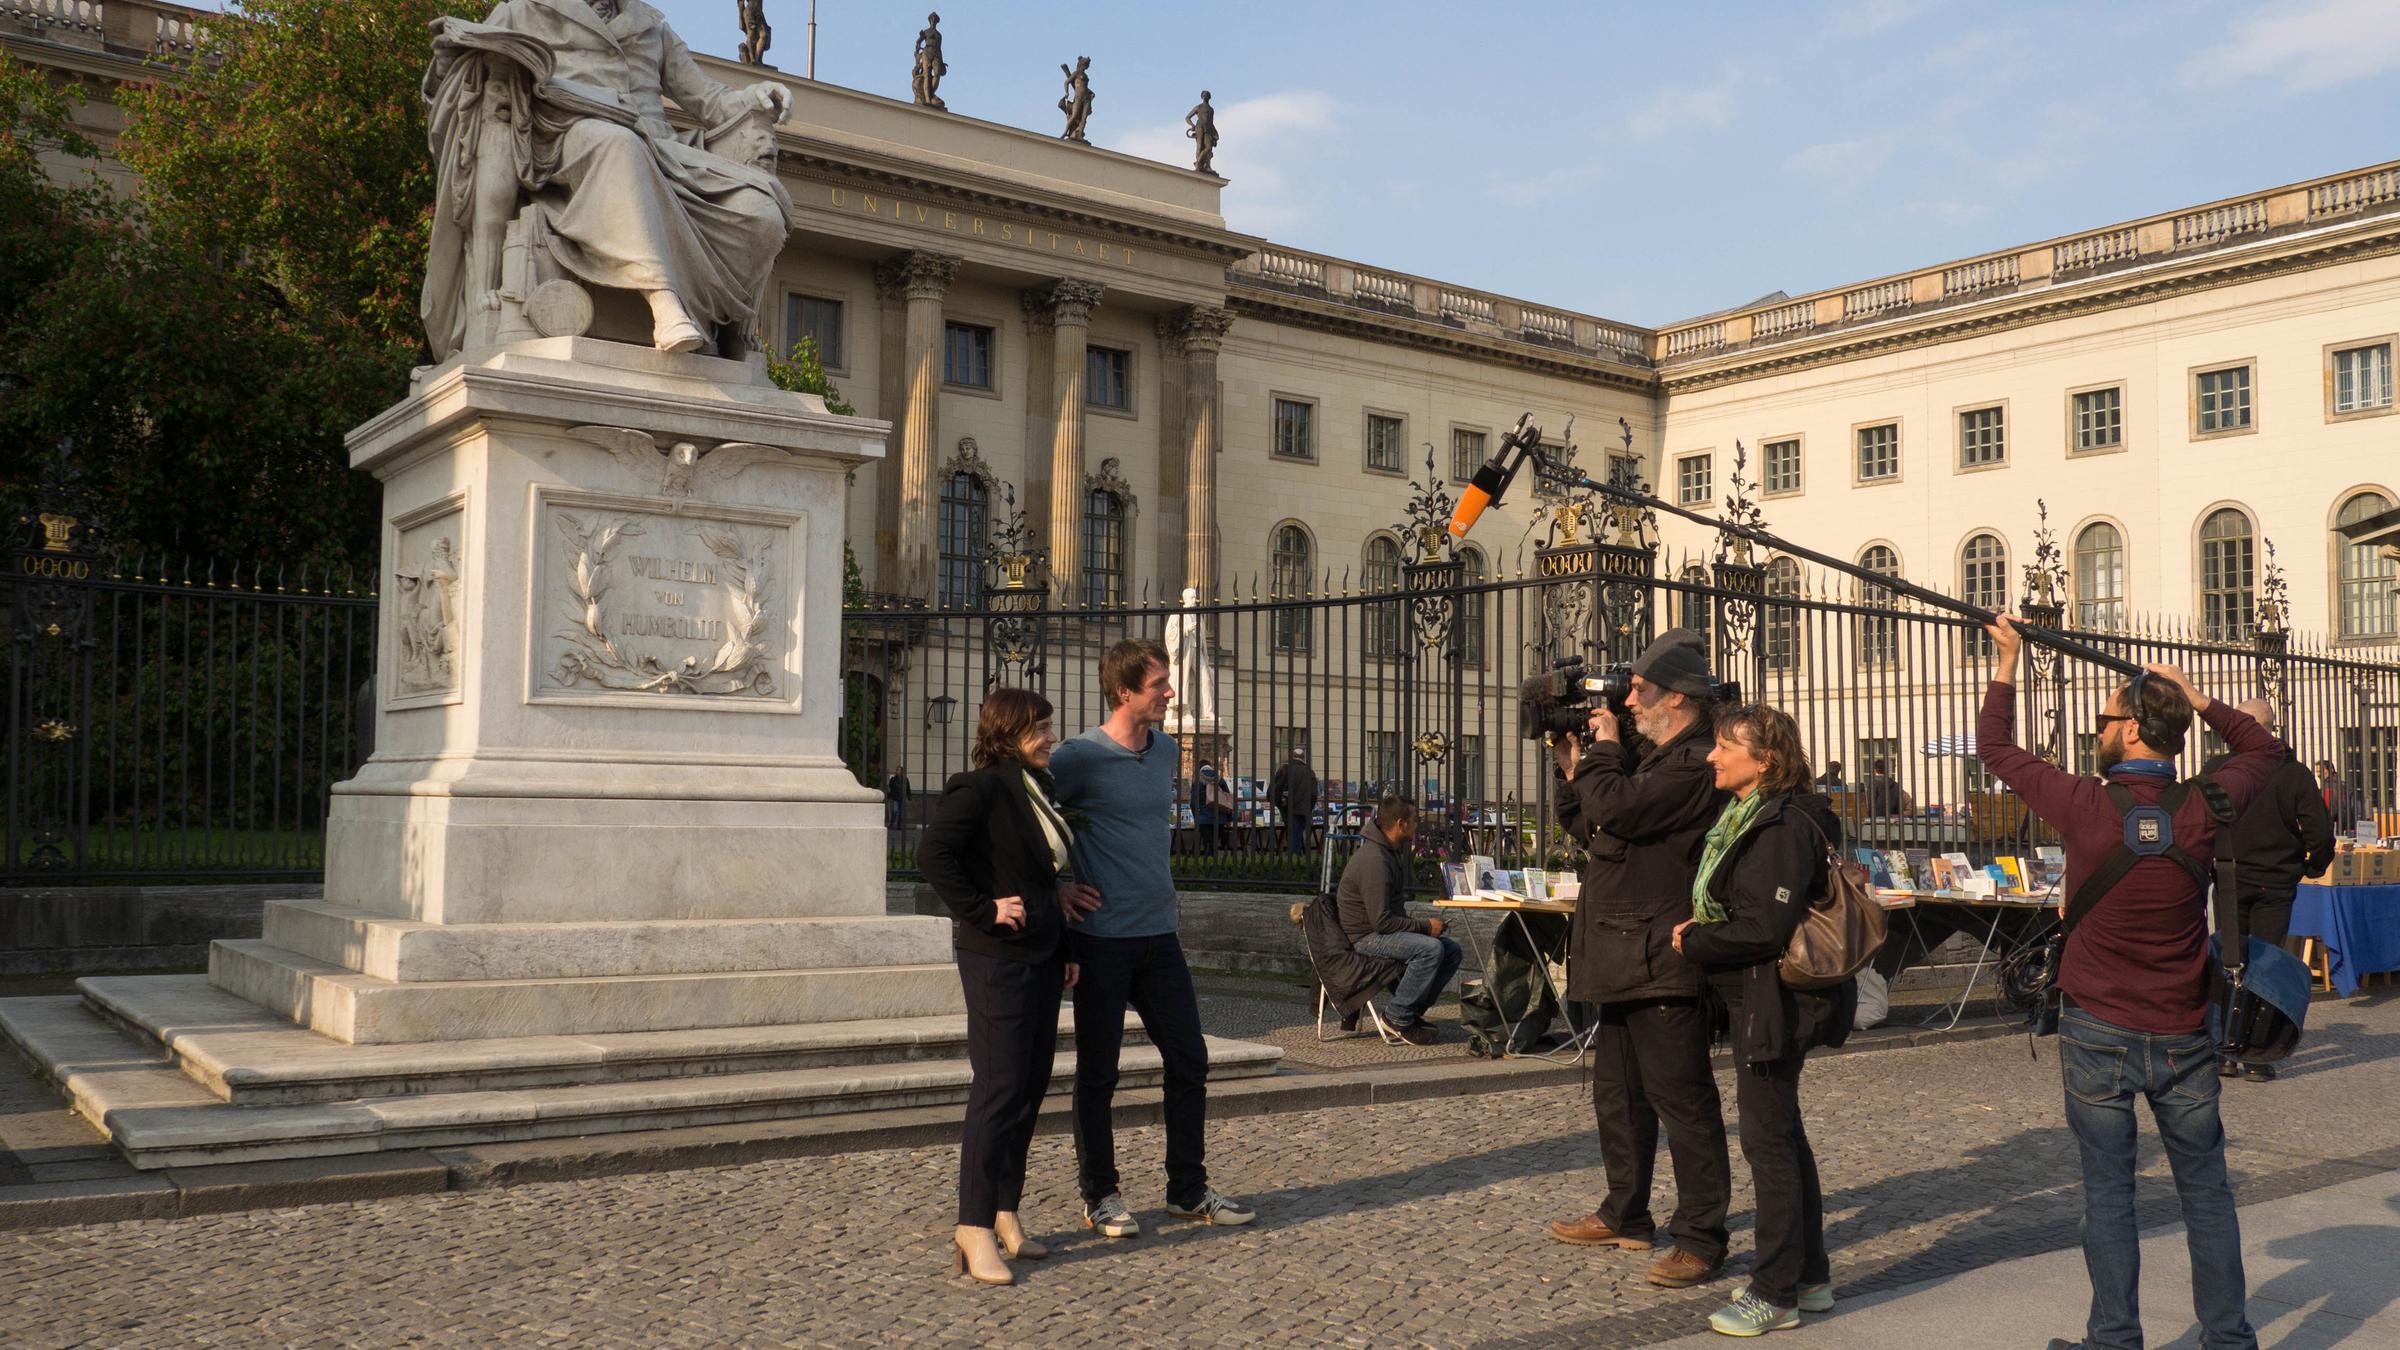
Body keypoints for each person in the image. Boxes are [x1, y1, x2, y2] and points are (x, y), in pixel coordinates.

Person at [1979, 616, 2283, 1350]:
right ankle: (2230, 1340)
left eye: (2109, 716)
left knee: (2108, 1194)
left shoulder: (2082, 804)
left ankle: (2115, 1339)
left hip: (2098, 1029)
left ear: (2136, 732)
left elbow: (1995, 748)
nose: (2100, 727)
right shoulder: (2204, 807)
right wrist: (2199, 697)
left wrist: (2007, 661)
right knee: (2206, 1193)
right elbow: (2265, 748)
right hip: (2183, 1030)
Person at [1546, 628, 1733, 1291]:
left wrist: (1602, 751)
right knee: (1618, 1097)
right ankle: (1625, 1212)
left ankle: (1702, 1237)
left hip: (1664, 958)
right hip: (1626, 953)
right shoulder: (1657, 758)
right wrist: (1576, 767)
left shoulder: (1694, 761)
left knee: (1682, 1101)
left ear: (1679, 699)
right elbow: (1597, 828)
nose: (1629, 702)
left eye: (1641, 691)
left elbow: (1618, 807)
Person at [1051, 638, 1255, 1237]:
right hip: (1102, 938)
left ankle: (1187, 1190)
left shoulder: (1165, 751)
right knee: (1099, 1072)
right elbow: (1026, 824)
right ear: (1123, 692)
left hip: (1158, 934)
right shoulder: (1076, 758)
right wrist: (1058, 889)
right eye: (1159, 684)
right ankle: (1101, 1195)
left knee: (1190, 1059)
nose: (1170, 692)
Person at [1672, 705, 1854, 1336]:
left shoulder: (1780, 826)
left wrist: (1695, 939)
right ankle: (1810, 1277)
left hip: (1773, 1003)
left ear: (1765, 760)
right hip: (1762, 999)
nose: (1712, 755)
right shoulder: (1757, 815)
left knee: (1767, 1144)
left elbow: (1763, 929)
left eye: (1726, 747)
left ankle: (1774, 1291)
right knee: (1784, 1137)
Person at [917, 688, 1080, 1287]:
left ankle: (1006, 1210)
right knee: (999, 1086)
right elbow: (933, 854)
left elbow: (1044, 879)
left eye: (1049, 726)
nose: (1049, 737)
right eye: (1038, 727)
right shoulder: (979, 786)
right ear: (1008, 732)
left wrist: (1065, 949)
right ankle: (973, 1226)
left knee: (1031, 1084)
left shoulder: (1041, 789)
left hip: (1040, 954)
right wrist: (983, 911)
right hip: (996, 960)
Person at [2202, 699, 2337, 1082]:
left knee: (2231, 962)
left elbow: (2196, 821)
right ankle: (2256, 1055)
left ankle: (2224, 1047)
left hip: (2230, 876)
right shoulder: (2292, 773)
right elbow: (2320, 831)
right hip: (2274, 879)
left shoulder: (2218, 770)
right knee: (2265, 963)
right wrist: (2310, 866)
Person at [1335, 795, 1462, 1045]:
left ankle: (1410, 1012)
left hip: (1379, 932)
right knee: (1431, 949)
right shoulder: (1375, 859)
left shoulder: (1385, 852)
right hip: (1364, 938)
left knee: (1451, 950)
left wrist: (1425, 927)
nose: (1417, 825)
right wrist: (1425, 928)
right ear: (1401, 823)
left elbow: (1391, 916)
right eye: (1415, 820)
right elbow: (1381, 923)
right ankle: (1397, 1016)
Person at [1269, 748, 1319, 856]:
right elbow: (1314, 795)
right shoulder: (1309, 772)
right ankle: (1296, 859)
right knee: (1297, 834)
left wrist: (1281, 804)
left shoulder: (1284, 769)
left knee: (1292, 835)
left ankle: (1293, 859)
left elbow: (1274, 789)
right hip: (1303, 809)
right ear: (1303, 758)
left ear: (1292, 756)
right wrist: (1308, 808)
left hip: (1287, 808)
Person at [1190, 760, 1231, 856]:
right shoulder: (1220, 778)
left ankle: (1209, 864)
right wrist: (1229, 818)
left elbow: (1193, 802)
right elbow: (1228, 799)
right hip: (1220, 818)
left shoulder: (1197, 779)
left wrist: (1196, 817)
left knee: (1208, 845)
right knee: (1218, 844)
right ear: (1210, 766)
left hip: (1204, 818)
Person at [2315, 759, 2364, 832]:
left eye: (2321, 771)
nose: (2318, 774)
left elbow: (2331, 809)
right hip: (2345, 824)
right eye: (2317, 771)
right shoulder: (2340, 783)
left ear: (2331, 770)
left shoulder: (2330, 786)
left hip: (2336, 824)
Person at [884, 768, 911, 836]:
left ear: (901, 772)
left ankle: (899, 825)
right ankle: (892, 823)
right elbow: (889, 788)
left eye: (898, 770)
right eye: (897, 770)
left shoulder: (905, 779)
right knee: (895, 810)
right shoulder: (893, 779)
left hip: (902, 797)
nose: (897, 771)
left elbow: (908, 788)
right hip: (895, 798)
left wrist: (909, 796)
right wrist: (889, 795)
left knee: (901, 813)